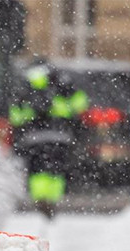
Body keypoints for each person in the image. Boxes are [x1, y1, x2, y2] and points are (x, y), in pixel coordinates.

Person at [9, 60, 88, 219]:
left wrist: (27, 119)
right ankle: (52, 201)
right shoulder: (60, 82)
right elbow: (81, 104)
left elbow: (15, 117)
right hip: (59, 135)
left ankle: (40, 200)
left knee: (37, 170)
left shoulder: (25, 86)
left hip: (33, 137)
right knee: (56, 170)